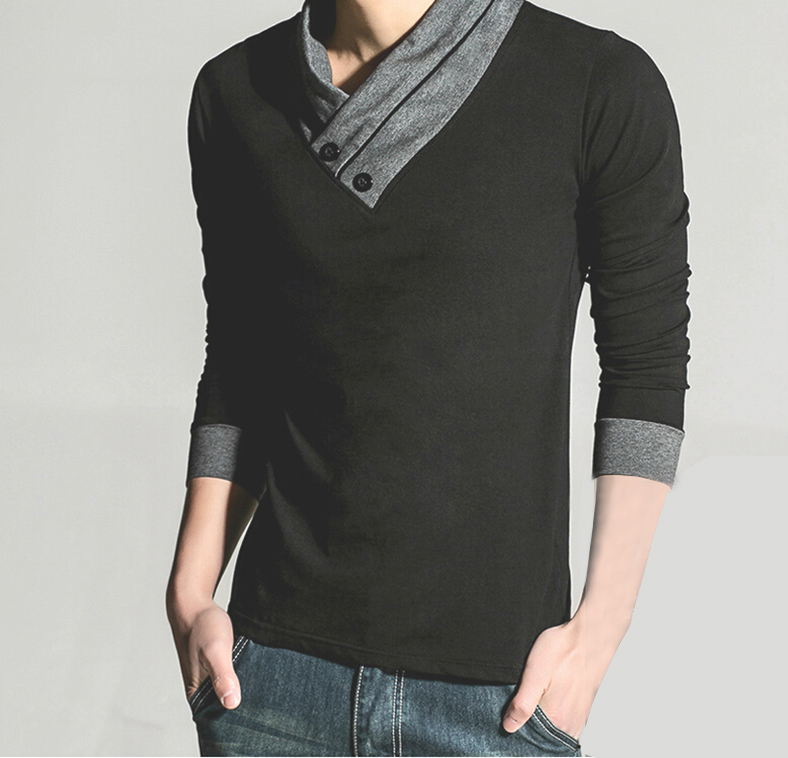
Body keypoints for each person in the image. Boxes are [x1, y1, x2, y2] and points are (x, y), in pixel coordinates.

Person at [165, 0, 692, 755]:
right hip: (270, 683)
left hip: (497, 697)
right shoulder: (235, 92)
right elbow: (242, 357)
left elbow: (645, 361)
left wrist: (602, 624)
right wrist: (190, 593)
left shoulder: (597, 83)